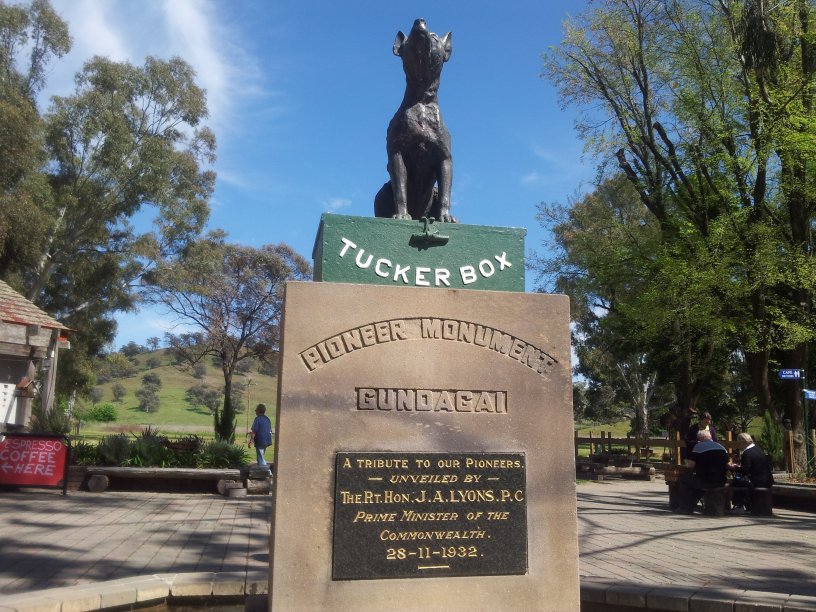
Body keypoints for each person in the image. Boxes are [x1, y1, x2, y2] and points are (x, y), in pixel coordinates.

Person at [675, 430, 729, 513]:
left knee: (685, 480)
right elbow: (728, 463)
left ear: (699, 439)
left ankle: (684, 508)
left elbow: (690, 465)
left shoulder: (699, 447)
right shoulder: (721, 447)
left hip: (705, 480)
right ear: (710, 437)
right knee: (698, 484)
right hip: (721, 480)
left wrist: (686, 462)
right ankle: (693, 505)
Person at [729, 432, 774, 513]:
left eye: (739, 443)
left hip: (758, 481)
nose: (738, 446)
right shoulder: (758, 449)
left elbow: (745, 471)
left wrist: (734, 468)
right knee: (741, 482)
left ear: (743, 442)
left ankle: (739, 506)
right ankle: (748, 506)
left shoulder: (747, 453)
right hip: (768, 480)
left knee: (735, 483)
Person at [249, 403, 273, 468]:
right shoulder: (267, 419)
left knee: (260, 457)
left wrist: (250, 441)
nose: (255, 411)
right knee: (261, 455)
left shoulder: (257, 419)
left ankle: (266, 471)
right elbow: (270, 430)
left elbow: (254, 431)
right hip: (267, 440)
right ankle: (263, 470)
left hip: (260, 440)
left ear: (259, 411)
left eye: (256, 410)